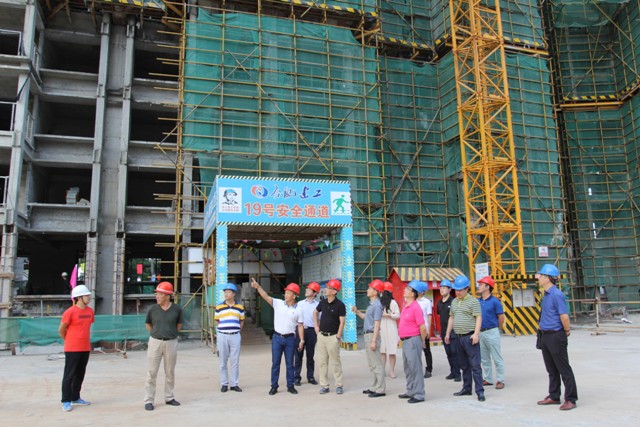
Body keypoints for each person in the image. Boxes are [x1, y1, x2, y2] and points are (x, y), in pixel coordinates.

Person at [536, 264, 578, 411]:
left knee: (563, 368)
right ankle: (554, 395)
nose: (539, 278)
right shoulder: (546, 295)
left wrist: (566, 330)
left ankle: (571, 399)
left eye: (541, 276)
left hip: (556, 335)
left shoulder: (556, 294)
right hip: (545, 335)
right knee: (551, 369)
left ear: (548, 278)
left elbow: (564, 316)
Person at [251, 278, 304, 395]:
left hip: (290, 339)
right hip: (277, 338)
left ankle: (290, 386)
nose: (286, 295)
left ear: (294, 296)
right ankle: (274, 386)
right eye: (286, 292)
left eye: (288, 293)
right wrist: (258, 287)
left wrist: (302, 340)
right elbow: (265, 297)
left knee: (290, 364)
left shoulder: (299, 309)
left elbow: (300, 325)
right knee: (275, 363)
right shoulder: (278, 303)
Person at [144, 281, 183, 411]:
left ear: (167, 296)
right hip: (155, 342)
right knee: (151, 372)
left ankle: (169, 397)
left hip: (171, 342)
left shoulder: (177, 309)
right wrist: (156, 334)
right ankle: (149, 400)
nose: (157, 296)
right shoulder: (152, 309)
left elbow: (179, 325)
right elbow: (148, 324)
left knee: (170, 371)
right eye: (157, 294)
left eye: (160, 294)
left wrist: (170, 334)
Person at [446, 274, 485, 402]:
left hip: (470, 337)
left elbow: (478, 317)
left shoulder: (473, 301)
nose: (458, 292)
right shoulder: (454, 302)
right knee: (464, 365)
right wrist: (448, 333)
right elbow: (451, 317)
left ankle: (480, 391)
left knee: (475, 365)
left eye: (460, 290)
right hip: (458, 337)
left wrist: (476, 334)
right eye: (456, 290)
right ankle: (467, 388)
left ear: (466, 289)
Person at [59, 285, 94, 412]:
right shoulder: (70, 312)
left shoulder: (90, 311)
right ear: (79, 298)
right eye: (86, 295)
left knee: (80, 373)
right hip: (72, 348)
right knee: (69, 374)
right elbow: (61, 329)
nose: (89, 297)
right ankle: (66, 400)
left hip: (85, 347)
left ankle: (75, 397)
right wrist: (69, 340)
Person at [351, 279, 386, 398]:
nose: (367, 290)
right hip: (368, 335)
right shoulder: (372, 304)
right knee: (372, 363)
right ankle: (374, 386)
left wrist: (374, 341)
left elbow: (377, 324)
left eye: (370, 288)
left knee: (376, 363)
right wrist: (357, 312)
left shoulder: (377, 306)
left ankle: (380, 389)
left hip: (372, 335)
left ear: (376, 292)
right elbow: (366, 317)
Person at [314, 278, 346, 395]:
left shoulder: (340, 305)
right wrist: (316, 326)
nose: (326, 289)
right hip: (322, 336)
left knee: (335, 362)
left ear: (334, 291)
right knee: (322, 362)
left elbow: (342, 322)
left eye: (329, 288)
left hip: (333, 337)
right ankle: (324, 385)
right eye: (327, 287)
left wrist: (338, 336)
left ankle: (339, 385)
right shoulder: (322, 302)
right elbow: (315, 312)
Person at [397, 280, 427, 403]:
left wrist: (422, 341)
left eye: (408, 289)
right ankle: (410, 390)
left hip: (413, 340)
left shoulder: (416, 307)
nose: (405, 290)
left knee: (415, 368)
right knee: (408, 367)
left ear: (413, 293)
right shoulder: (406, 306)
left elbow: (422, 327)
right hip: (405, 341)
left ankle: (419, 394)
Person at [214, 282, 245, 393]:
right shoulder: (219, 307)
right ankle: (224, 383)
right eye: (225, 292)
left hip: (235, 336)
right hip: (223, 336)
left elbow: (242, 321)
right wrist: (223, 330)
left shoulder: (240, 307)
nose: (226, 294)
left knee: (235, 361)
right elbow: (217, 320)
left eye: (228, 292)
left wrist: (237, 330)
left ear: (234, 294)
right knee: (223, 361)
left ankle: (234, 384)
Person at [477, 276, 505, 389]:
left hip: (492, 331)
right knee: (484, 358)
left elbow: (501, 318)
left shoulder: (495, 302)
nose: (479, 286)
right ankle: (488, 378)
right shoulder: (478, 301)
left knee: (496, 357)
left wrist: (494, 327)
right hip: (481, 332)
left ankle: (500, 380)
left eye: (481, 285)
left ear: (487, 287)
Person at [294, 282, 320, 386]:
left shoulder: (318, 305)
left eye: (309, 289)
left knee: (310, 356)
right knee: (298, 355)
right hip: (300, 330)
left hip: (312, 332)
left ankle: (310, 377)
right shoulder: (300, 304)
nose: (306, 290)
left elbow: (320, 318)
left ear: (314, 293)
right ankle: (297, 377)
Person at [437, 279, 461, 381]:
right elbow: (440, 316)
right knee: (448, 353)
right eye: (440, 288)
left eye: (444, 288)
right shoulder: (439, 302)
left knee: (455, 352)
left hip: (453, 331)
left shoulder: (453, 301)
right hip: (443, 331)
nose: (441, 290)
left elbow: (456, 316)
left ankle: (458, 373)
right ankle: (452, 372)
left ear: (449, 289)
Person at [380, 281, 400, 378]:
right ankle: (382, 370)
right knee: (382, 350)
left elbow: (398, 315)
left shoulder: (393, 302)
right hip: (381, 328)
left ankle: (392, 370)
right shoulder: (379, 303)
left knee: (392, 350)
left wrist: (388, 315)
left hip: (391, 328)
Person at [416, 285, 433, 378]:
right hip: (415, 329)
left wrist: (429, 329)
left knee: (426, 350)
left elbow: (429, 316)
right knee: (416, 350)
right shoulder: (413, 301)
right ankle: (417, 369)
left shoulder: (426, 302)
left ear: (423, 292)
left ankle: (429, 369)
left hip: (424, 328)